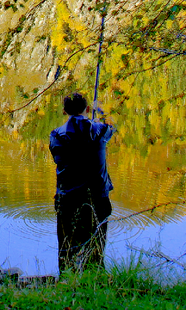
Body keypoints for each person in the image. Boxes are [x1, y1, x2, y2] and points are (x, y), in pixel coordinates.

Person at [49, 92, 115, 272]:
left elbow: (58, 157)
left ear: (64, 111)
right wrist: (98, 113)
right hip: (97, 199)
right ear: (87, 109)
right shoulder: (100, 131)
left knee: (66, 251)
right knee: (96, 251)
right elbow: (111, 127)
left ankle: (65, 285)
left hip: (67, 199)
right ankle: (94, 286)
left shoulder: (56, 135)